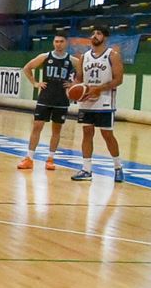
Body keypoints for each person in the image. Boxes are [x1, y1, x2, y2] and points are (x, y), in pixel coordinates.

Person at [17, 34, 79, 170]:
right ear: (53, 43)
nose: (58, 44)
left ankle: (50, 159)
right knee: (37, 127)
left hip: (61, 99)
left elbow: (83, 73)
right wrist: (35, 83)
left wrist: (73, 84)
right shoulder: (45, 57)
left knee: (56, 130)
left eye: (61, 41)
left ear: (66, 43)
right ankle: (29, 158)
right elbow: (27, 68)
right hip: (45, 97)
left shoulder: (72, 60)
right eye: (56, 41)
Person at [72, 24, 125, 183]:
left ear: (105, 37)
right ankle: (86, 169)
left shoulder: (112, 55)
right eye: (93, 33)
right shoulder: (84, 57)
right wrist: (75, 88)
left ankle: (118, 167)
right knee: (87, 133)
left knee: (107, 135)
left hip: (105, 102)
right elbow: (79, 78)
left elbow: (118, 79)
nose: (95, 36)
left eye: (99, 33)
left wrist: (99, 89)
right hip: (87, 102)